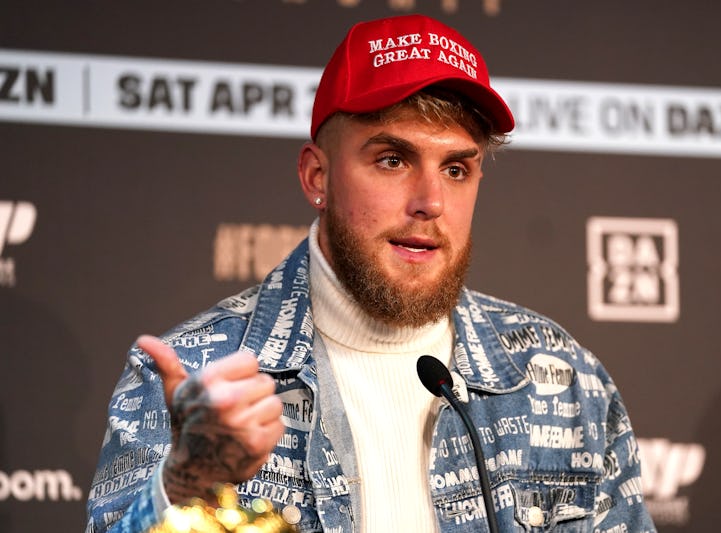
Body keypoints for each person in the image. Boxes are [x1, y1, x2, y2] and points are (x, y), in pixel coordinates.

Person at [86, 14, 656, 533]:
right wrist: (181, 487)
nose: (431, 201)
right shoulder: (193, 375)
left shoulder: (561, 379)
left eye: (457, 168)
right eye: (393, 159)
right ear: (316, 177)